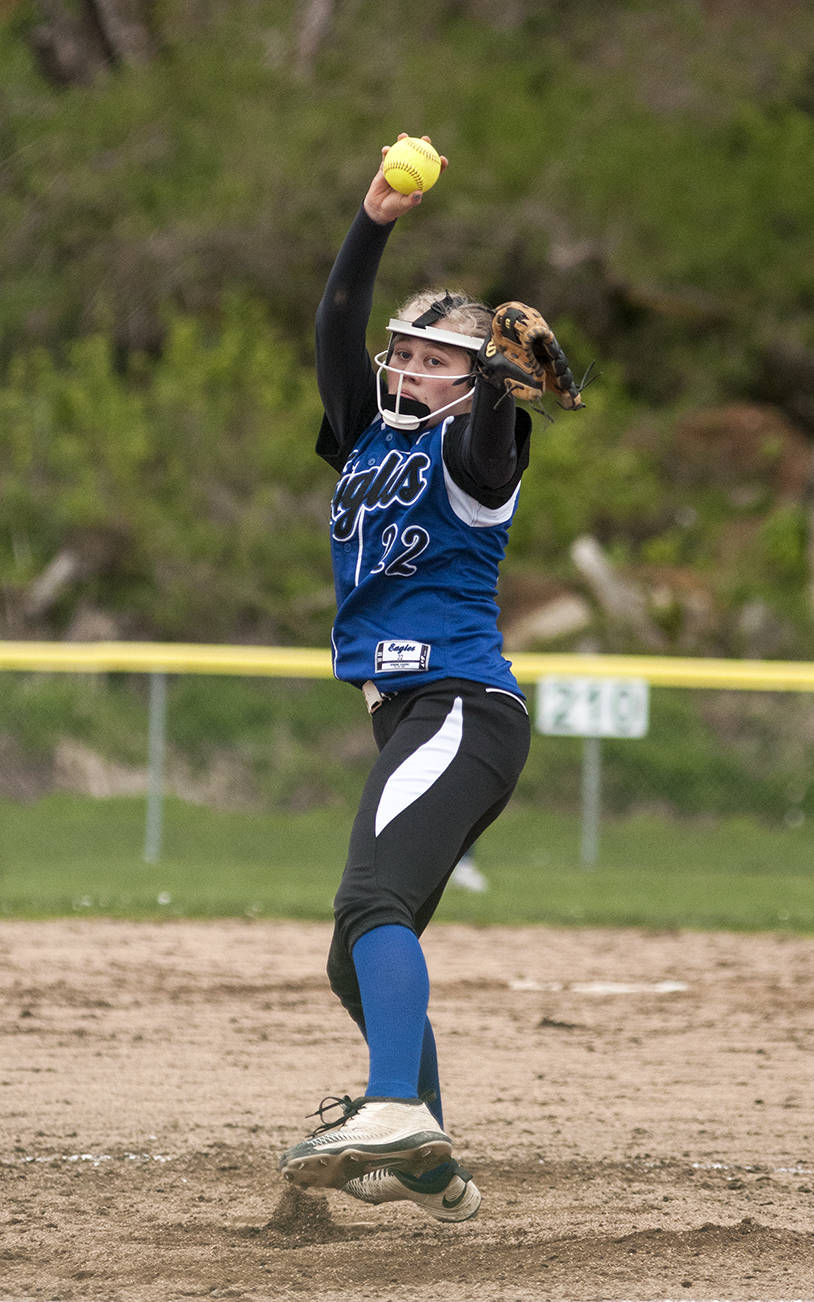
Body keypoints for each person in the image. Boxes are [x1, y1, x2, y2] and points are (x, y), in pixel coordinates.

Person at [279, 133, 580, 1222]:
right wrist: (373, 217)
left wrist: (498, 389)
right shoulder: (365, 436)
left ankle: (395, 1107)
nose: (408, 369)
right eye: (404, 353)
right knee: (355, 962)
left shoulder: (472, 455)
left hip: (460, 707)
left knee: (371, 903)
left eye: (435, 359)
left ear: (475, 381)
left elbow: (495, 439)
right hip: (411, 716)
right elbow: (331, 325)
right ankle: (429, 1168)